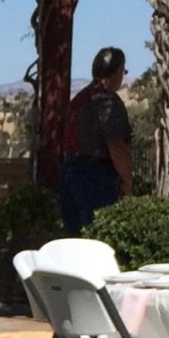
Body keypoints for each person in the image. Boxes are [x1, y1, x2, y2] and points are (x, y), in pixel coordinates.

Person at [58, 46, 133, 235]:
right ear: (117, 71)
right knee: (98, 234)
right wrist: (127, 181)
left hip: (70, 172)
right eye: (123, 71)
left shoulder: (80, 99)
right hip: (97, 176)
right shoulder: (107, 101)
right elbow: (116, 144)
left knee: (74, 235)